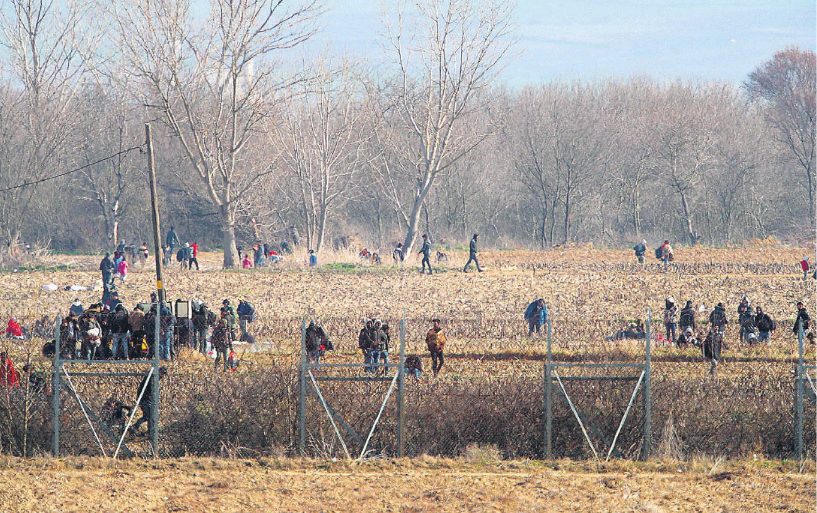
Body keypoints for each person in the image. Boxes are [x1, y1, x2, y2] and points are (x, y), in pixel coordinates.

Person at [132, 367, 167, 433]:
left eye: (163, 374)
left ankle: (146, 430)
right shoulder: (152, 377)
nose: (162, 376)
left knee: (149, 416)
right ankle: (139, 428)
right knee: (149, 416)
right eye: (162, 373)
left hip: (146, 399)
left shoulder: (154, 377)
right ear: (159, 372)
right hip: (144, 399)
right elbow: (150, 389)